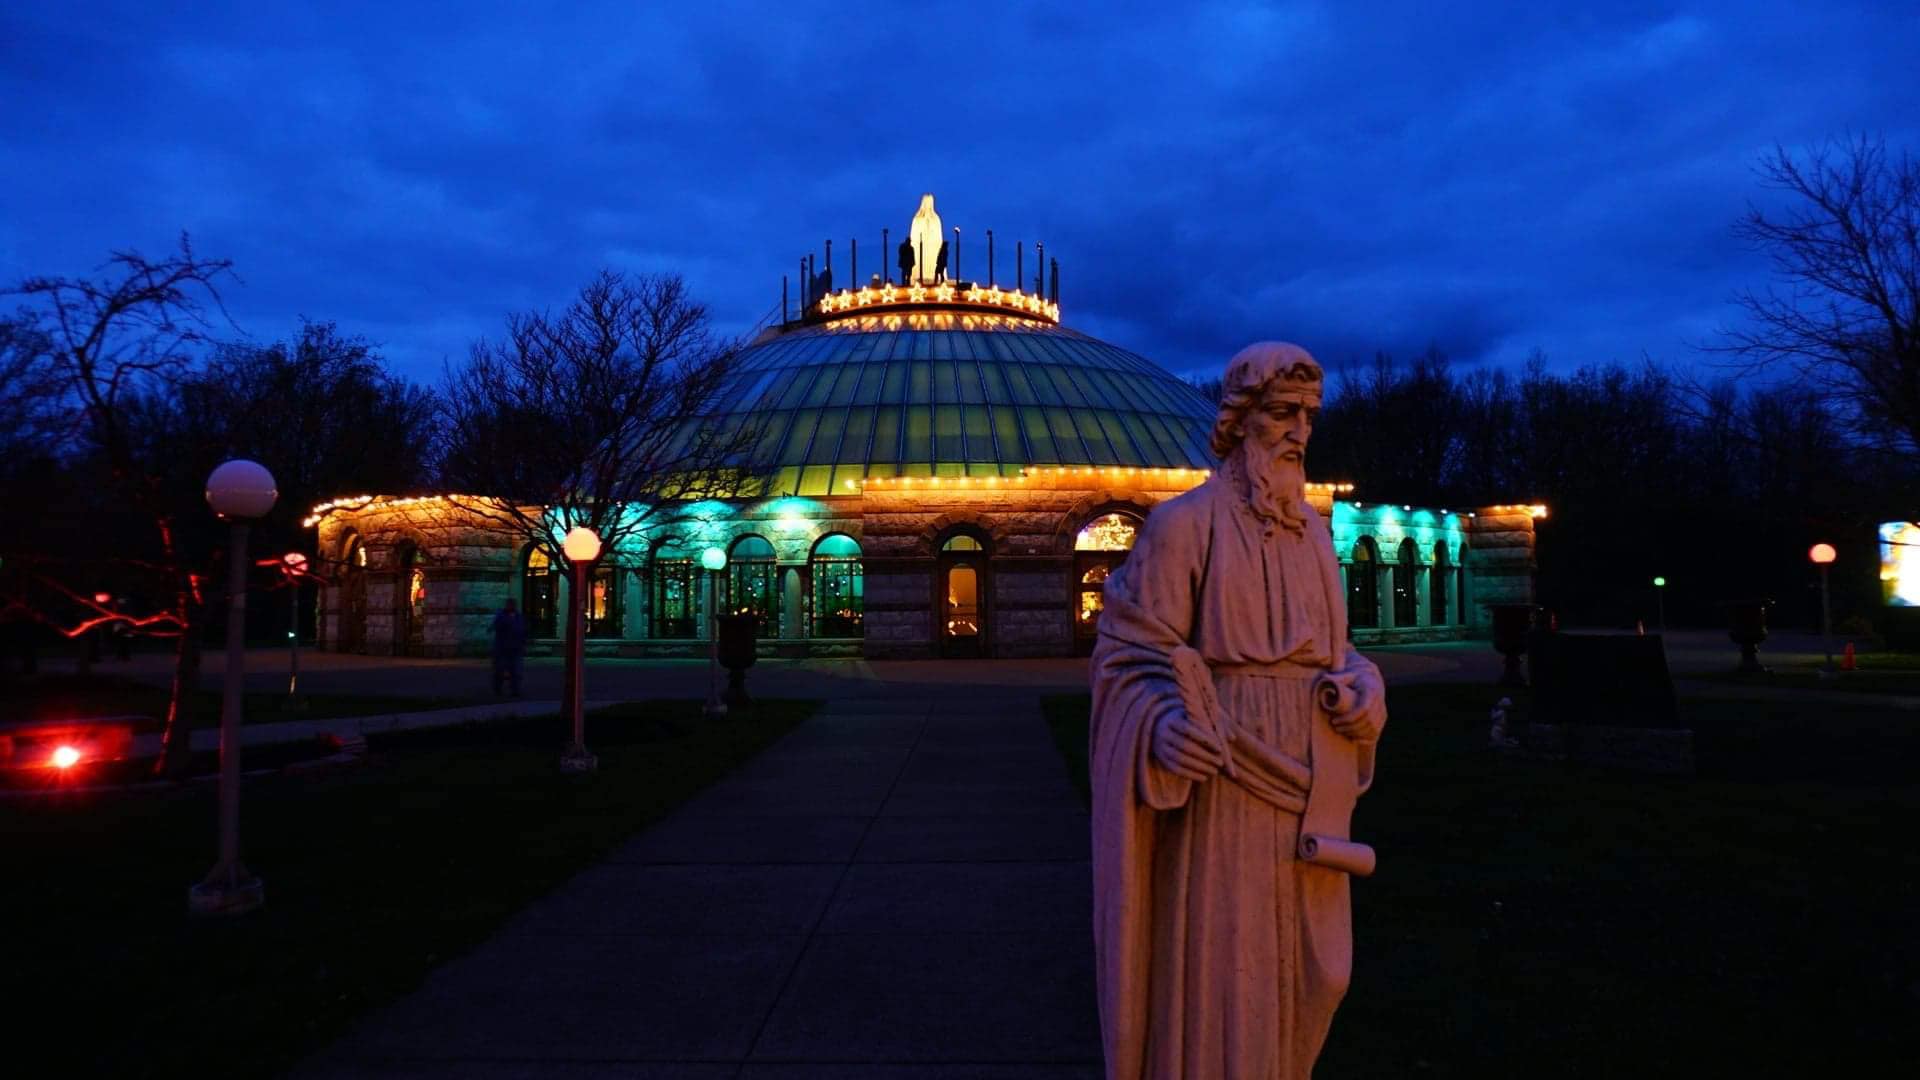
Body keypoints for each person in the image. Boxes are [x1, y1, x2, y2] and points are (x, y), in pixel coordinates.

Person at [1090, 341, 1388, 1078]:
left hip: (1311, 787)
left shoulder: (1313, 533)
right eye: (1283, 414)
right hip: (1226, 787)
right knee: (1232, 975)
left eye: (1309, 417)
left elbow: (1343, 655)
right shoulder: (1184, 526)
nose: (1299, 432)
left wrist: (1364, 691)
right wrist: (1159, 726)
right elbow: (1129, 659)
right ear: (1240, 418)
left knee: (1320, 976)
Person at [490, 597, 527, 697]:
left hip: (515, 649)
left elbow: (523, 631)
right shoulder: (501, 616)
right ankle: (498, 689)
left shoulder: (519, 617)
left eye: (513, 604)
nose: (512, 606)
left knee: (515, 671)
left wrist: (523, 642)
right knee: (500, 671)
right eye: (510, 604)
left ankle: (515, 690)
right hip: (502, 648)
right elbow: (495, 627)